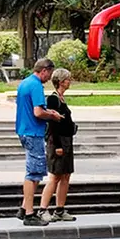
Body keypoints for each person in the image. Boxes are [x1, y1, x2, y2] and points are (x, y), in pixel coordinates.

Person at [15, 57, 58, 225]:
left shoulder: (24, 83)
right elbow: (38, 112)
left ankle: (24, 207)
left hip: (24, 130)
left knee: (36, 172)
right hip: (33, 131)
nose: (49, 78)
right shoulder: (36, 86)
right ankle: (30, 214)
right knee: (33, 174)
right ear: (44, 71)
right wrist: (52, 115)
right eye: (50, 74)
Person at [38, 68, 78, 222]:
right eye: (68, 79)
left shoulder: (61, 98)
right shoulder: (53, 99)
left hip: (66, 139)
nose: (70, 82)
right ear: (61, 82)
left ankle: (60, 209)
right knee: (55, 176)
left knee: (66, 175)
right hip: (58, 141)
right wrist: (57, 145)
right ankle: (43, 209)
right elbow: (53, 124)